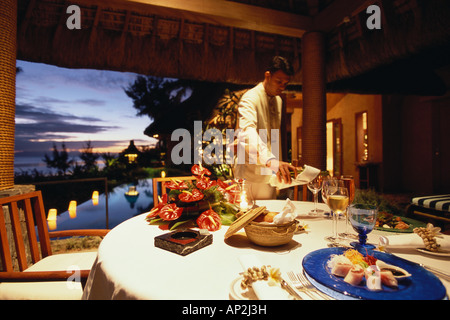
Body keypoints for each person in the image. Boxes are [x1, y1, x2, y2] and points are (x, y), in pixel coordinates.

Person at [233, 56, 297, 200]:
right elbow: (248, 132)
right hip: (248, 174)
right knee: (245, 217)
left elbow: (274, 138)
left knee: (269, 218)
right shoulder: (250, 98)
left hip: (269, 173)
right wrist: (270, 160)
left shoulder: (279, 101)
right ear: (267, 75)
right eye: (278, 81)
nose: (282, 87)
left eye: (285, 83)